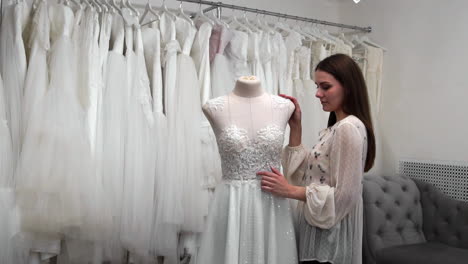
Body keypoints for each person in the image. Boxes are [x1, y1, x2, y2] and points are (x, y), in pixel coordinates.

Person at [257, 54, 376, 264]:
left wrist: (289, 190)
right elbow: (310, 174)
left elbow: (344, 196)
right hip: (322, 232)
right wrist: (296, 126)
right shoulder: (337, 128)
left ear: (347, 87)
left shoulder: (347, 128)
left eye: (325, 87)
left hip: (330, 240)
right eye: (317, 86)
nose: (318, 93)